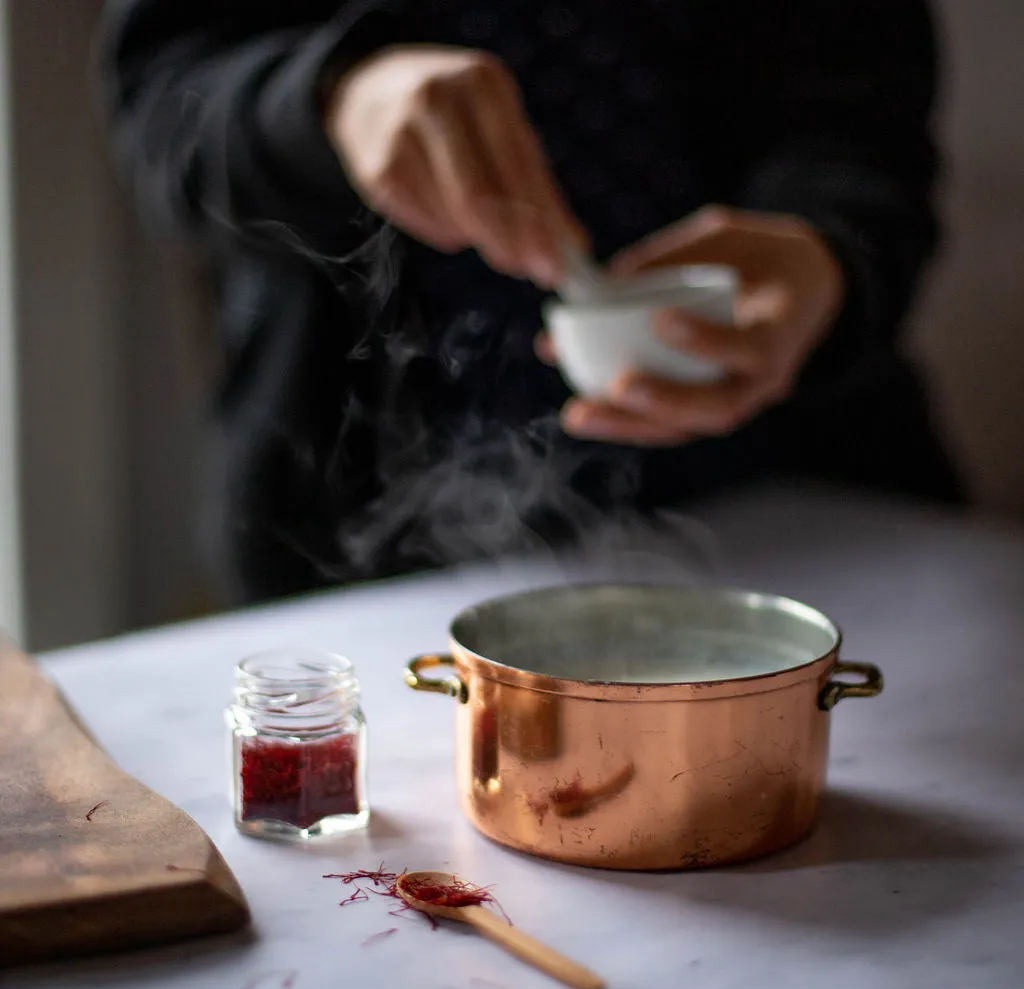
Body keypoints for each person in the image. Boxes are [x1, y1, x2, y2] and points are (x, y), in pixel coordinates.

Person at [98, 0, 963, 604]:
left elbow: (863, 114)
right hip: (366, 541)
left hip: (815, 504)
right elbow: (162, 107)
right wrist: (328, 97)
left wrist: (828, 255)